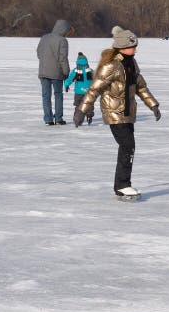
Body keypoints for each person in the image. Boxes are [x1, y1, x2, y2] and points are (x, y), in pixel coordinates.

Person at [75, 26, 160, 199]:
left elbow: (141, 87)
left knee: (129, 146)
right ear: (122, 46)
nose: (135, 49)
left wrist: (153, 105)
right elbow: (93, 90)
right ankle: (122, 185)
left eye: (136, 46)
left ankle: (122, 184)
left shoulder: (132, 64)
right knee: (127, 146)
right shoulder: (111, 66)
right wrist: (81, 111)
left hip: (128, 113)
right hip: (113, 112)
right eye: (132, 46)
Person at [37, 19, 73, 125]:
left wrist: (45, 62)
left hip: (43, 71)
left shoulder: (44, 37)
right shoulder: (62, 40)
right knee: (58, 94)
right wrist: (66, 72)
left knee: (46, 96)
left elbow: (39, 53)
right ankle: (58, 118)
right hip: (56, 73)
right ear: (64, 29)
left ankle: (48, 119)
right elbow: (63, 58)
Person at [63, 52, 95, 126]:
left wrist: (66, 85)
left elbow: (70, 78)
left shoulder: (76, 70)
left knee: (79, 106)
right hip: (88, 91)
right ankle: (89, 114)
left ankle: (78, 120)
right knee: (89, 104)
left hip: (79, 92)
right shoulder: (90, 70)